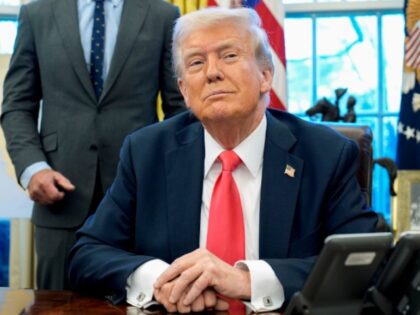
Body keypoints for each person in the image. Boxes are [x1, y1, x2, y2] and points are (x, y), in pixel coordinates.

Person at [68, 7, 378, 313]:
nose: (212, 72)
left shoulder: (325, 154)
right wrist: (165, 281)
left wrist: (247, 281)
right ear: (184, 91)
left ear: (266, 76)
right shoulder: (146, 152)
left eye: (229, 56)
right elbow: (87, 254)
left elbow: (364, 264)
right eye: (196, 62)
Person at [1, 0, 185, 290]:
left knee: (142, 300)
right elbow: (16, 106)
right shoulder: (37, 13)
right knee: (54, 307)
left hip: (140, 197)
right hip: (60, 197)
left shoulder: (162, 15)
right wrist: (33, 169)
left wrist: (165, 175)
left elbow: (180, 108)